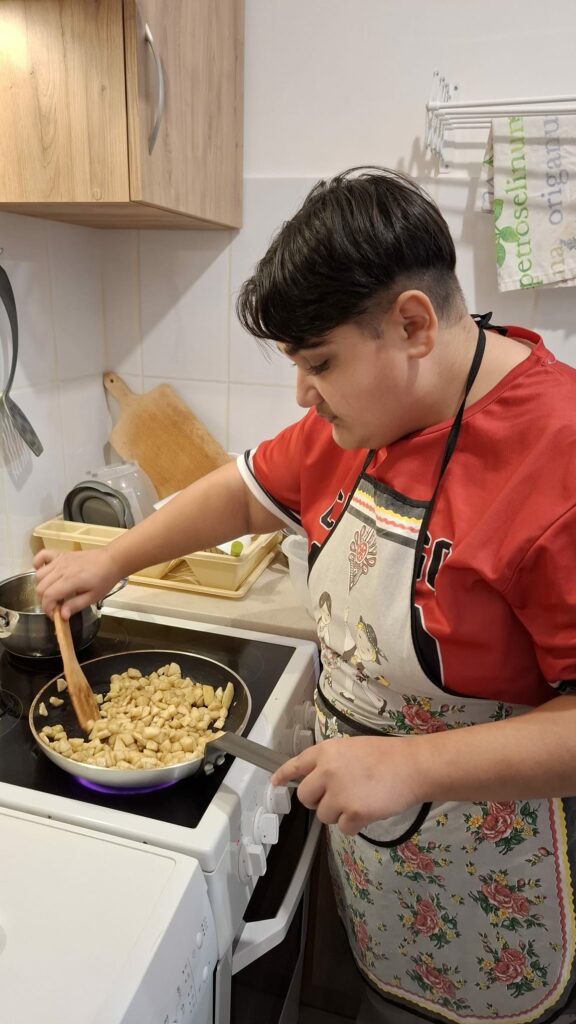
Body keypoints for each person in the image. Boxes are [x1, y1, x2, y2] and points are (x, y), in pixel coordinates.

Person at [34, 167, 576, 1024]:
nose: (301, 395)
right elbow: (248, 491)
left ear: (413, 325)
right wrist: (114, 560)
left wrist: (411, 766)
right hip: (379, 859)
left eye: (319, 364)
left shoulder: (558, 455)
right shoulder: (360, 419)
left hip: (497, 881)